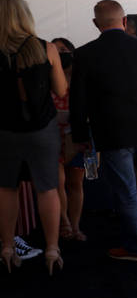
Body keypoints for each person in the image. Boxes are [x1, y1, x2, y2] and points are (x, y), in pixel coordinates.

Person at [70, 0, 137, 262]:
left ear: (96, 24)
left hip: (112, 132)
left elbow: (78, 100)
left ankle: (135, 247)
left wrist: (80, 135)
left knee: (126, 188)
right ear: (125, 21)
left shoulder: (84, 54)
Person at [0, 0, 68, 273]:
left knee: (6, 188)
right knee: (48, 188)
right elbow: (62, 91)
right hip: (42, 130)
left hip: (4, 130)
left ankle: (6, 247)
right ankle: (52, 250)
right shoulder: (46, 49)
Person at [51, 37, 86, 242]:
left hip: (76, 134)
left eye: (63, 49)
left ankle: (75, 226)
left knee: (75, 183)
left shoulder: (80, 77)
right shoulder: (45, 76)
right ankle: (63, 223)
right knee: (58, 181)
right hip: (51, 135)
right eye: (55, 50)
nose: (59, 53)